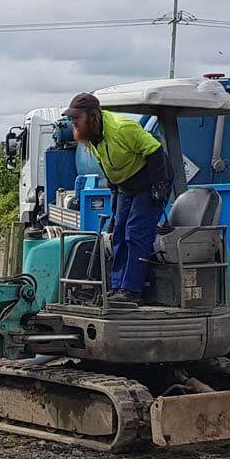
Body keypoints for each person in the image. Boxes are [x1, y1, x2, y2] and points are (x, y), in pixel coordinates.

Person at [64, 92, 169, 305]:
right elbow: (106, 165)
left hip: (149, 181)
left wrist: (159, 186)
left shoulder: (122, 128)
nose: (73, 122)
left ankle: (131, 290)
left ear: (92, 116)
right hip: (125, 186)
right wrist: (114, 191)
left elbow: (155, 150)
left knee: (135, 232)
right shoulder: (92, 136)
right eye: (71, 117)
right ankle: (117, 287)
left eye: (76, 117)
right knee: (118, 233)